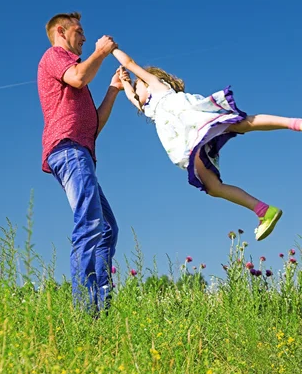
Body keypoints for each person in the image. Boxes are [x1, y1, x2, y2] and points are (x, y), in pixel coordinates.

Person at [112, 47, 302, 241]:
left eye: (138, 85)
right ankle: (264, 211)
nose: (136, 90)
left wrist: (113, 49)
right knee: (213, 188)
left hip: (193, 119)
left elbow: (130, 63)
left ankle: (295, 123)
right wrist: (124, 83)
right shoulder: (150, 110)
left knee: (241, 124)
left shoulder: (159, 88)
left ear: (148, 81)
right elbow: (131, 97)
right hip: (188, 142)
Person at [37, 12, 125, 311]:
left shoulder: (77, 76)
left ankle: (101, 307)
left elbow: (94, 126)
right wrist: (101, 52)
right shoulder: (55, 57)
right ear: (61, 31)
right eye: (79, 31)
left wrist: (113, 89)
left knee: (107, 228)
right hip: (68, 149)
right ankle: (86, 312)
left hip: (81, 149)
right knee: (89, 223)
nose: (85, 38)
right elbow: (78, 77)